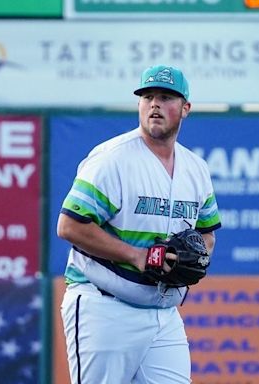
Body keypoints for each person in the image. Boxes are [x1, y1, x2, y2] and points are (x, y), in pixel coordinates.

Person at [57, 64, 221, 384]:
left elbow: (207, 233)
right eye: (147, 97)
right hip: (104, 307)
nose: (155, 104)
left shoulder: (195, 168)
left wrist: (195, 256)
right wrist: (138, 256)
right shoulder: (112, 159)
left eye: (165, 97)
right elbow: (70, 226)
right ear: (139, 105)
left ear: (185, 108)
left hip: (163, 312)